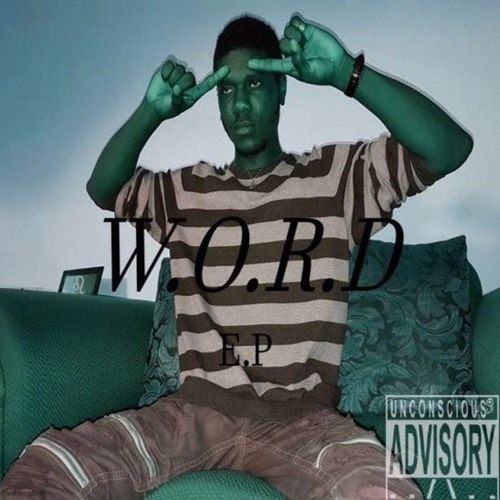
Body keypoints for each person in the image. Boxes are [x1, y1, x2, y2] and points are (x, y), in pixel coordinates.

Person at [1, 13, 472, 500]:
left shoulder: (337, 180)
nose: (240, 105)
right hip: (191, 417)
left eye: (256, 85)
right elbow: (103, 188)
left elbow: (448, 149)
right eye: (227, 90)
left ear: (282, 90)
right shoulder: (187, 193)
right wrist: (150, 113)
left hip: (304, 423)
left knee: (380, 490)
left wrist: (346, 74)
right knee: (47, 467)